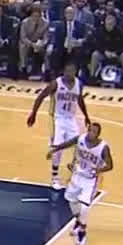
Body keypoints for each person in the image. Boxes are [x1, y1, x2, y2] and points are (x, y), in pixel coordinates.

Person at [26, 59, 91, 189]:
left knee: (80, 144)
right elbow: (40, 97)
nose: (69, 73)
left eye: (72, 71)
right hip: (57, 119)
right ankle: (55, 177)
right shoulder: (56, 84)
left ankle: (73, 167)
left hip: (71, 119)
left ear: (75, 72)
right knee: (58, 148)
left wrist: (86, 116)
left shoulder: (79, 84)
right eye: (67, 71)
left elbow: (80, 100)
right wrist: (33, 113)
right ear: (64, 71)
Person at [48, 122, 114, 245]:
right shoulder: (81, 139)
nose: (91, 134)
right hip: (77, 175)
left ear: (98, 135)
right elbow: (67, 144)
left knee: (84, 207)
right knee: (71, 200)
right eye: (90, 130)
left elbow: (110, 165)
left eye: (94, 132)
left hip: (90, 179)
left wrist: (99, 170)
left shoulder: (103, 147)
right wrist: (54, 150)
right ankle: (78, 221)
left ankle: (82, 234)